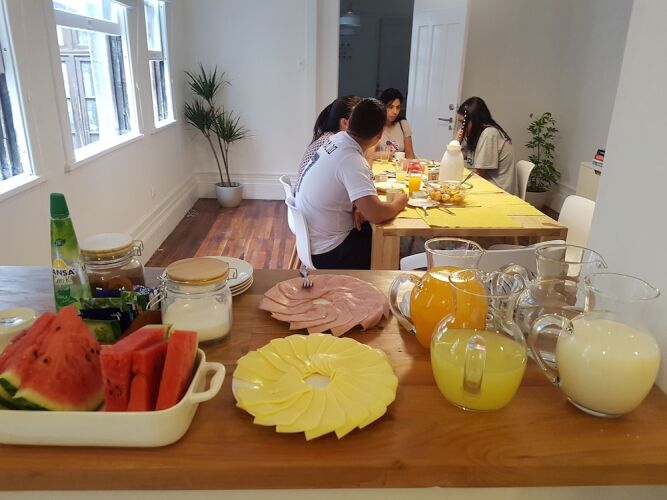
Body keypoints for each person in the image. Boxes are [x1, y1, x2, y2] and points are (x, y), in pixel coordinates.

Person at [295, 98, 408, 269]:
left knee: (370, 230)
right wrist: (399, 203)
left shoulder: (337, 139)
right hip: (328, 252)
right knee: (387, 248)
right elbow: (376, 214)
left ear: (349, 122)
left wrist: (359, 206)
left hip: (312, 240)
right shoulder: (352, 159)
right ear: (379, 135)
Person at [295, 95, 361, 190]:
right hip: (308, 194)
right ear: (344, 123)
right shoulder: (334, 143)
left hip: (303, 192)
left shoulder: (329, 137)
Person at [456, 96, 517, 195]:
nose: (461, 127)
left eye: (463, 122)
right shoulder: (478, 134)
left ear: (475, 120)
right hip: (487, 185)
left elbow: (479, 174)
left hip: (498, 191)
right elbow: (457, 157)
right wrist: (456, 142)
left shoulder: (490, 133)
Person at [369, 88, 416, 161]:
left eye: (398, 107)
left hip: (399, 166)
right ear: (382, 106)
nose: (395, 112)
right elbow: (366, 154)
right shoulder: (375, 125)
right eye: (390, 107)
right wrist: (382, 155)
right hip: (378, 166)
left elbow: (410, 155)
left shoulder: (402, 124)